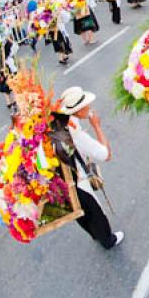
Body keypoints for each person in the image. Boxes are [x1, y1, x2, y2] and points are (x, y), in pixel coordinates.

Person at [49, 87, 124, 249]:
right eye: (86, 106)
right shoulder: (75, 134)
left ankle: (94, 234)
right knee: (95, 211)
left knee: (79, 211)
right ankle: (107, 240)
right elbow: (106, 154)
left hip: (60, 179)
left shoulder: (59, 120)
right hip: (77, 179)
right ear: (79, 110)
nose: (90, 107)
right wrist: (97, 126)